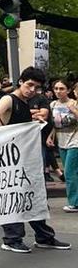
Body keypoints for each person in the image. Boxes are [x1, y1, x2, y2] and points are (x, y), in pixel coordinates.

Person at [0, 67, 71, 253]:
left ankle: (43, 236)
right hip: (10, 157)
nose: (32, 90)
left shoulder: (23, 101)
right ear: (21, 81)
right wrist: (7, 137)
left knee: (33, 195)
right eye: (29, 85)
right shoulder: (9, 99)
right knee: (15, 197)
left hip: (23, 156)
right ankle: (12, 238)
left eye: (36, 87)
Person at [48, 79, 78, 213]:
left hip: (75, 141)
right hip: (61, 141)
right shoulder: (53, 104)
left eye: (62, 88)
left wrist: (74, 111)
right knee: (70, 171)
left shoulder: (74, 103)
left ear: (68, 90)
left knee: (70, 173)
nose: (58, 91)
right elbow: (54, 124)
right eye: (56, 89)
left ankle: (74, 203)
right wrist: (50, 136)